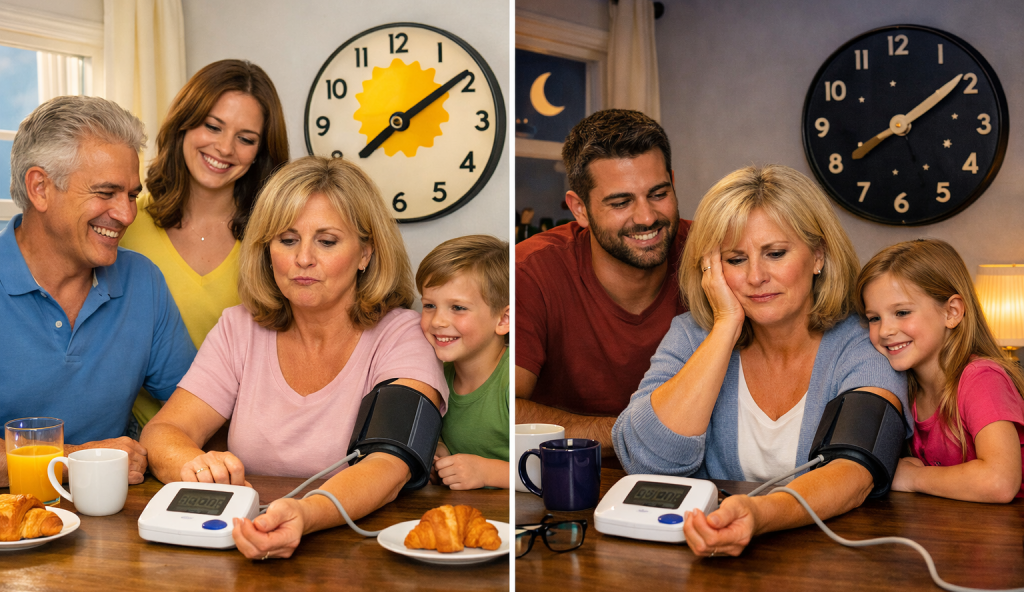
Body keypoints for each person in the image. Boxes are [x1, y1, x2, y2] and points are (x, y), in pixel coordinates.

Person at [140, 156, 447, 560]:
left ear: (365, 254)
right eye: (287, 240)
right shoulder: (239, 327)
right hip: (241, 541)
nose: (303, 258)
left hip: (360, 554)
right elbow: (163, 433)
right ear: (267, 251)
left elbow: (389, 465)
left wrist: (306, 513)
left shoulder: (404, 334)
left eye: (327, 241)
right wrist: (197, 467)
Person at [612, 164, 909, 558]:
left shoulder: (865, 339)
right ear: (711, 269)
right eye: (735, 260)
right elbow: (645, 459)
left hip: (829, 561)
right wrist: (724, 327)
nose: (755, 277)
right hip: (701, 556)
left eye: (775, 253)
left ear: (818, 255)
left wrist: (759, 513)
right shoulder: (692, 335)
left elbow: (854, 470)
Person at [0, 95, 196, 485]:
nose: (126, 215)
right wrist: (74, 458)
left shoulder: (143, 281)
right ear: (40, 188)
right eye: (106, 193)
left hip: (113, 523)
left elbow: (197, 407)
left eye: (131, 195)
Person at [120, 59, 289, 432]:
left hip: (248, 439)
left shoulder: (277, 239)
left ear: (261, 152)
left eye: (246, 138)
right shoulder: (125, 224)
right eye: (213, 126)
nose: (224, 148)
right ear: (183, 124)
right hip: (140, 439)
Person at [516, 109, 691, 456]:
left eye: (658, 193)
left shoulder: (714, 254)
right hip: (560, 478)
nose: (646, 217)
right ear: (579, 209)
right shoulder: (531, 271)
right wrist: (633, 434)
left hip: (694, 477)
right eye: (621, 202)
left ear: (672, 181)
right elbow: (506, 413)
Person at [857, 239, 1024, 502]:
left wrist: (911, 478)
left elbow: (999, 481)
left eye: (901, 312)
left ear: (952, 312)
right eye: (874, 318)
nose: (886, 330)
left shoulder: (982, 379)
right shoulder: (904, 389)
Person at [417, 235, 510, 490]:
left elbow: (544, 470)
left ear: (503, 319)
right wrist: (440, 454)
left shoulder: (510, 380)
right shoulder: (435, 376)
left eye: (457, 307)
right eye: (429, 305)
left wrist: (484, 472)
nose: (437, 321)